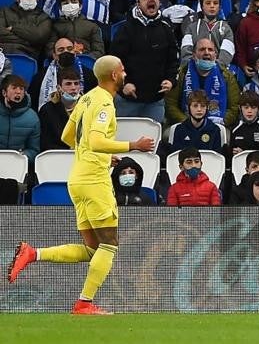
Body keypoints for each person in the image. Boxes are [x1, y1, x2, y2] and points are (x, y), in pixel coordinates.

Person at [7, 55, 155, 315]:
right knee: (109, 245)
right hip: (95, 182)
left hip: (78, 179)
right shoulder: (104, 103)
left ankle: (33, 253)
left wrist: (98, 155)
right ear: (113, 75)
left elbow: (67, 136)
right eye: (122, 70)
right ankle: (84, 303)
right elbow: (96, 140)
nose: (125, 74)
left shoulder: (86, 98)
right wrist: (133, 145)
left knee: (92, 249)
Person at [110, 0, 179, 123]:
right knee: (124, 140)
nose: (151, 0)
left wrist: (170, 80)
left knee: (153, 141)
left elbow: (173, 60)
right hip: (127, 100)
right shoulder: (126, 29)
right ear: (138, 3)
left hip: (155, 101)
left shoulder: (166, 28)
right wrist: (123, 84)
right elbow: (114, 62)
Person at [165, 38, 240, 127]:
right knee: (167, 135)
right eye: (202, 49)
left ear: (215, 55)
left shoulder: (226, 76)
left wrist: (222, 122)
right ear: (193, 55)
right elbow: (171, 104)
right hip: (185, 125)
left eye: (210, 50)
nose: (206, 53)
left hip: (218, 125)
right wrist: (187, 121)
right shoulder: (182, 74)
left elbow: (234, 107)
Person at [31, 37, 97, 111]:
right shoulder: (41, 77)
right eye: (61, 50)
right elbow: (34, 102)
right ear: (55, 56)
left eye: (69, 49)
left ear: (74, 52)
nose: (66, 52)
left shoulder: (88, 75)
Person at [180, 0, 235, 66]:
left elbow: (227, 53)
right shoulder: (191, 28)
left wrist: (214, 66)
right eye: (208, 3)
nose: (212, 6)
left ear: (219, 7)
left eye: (215, 3)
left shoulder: (226, 29)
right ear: (202, 6)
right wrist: (196, 66)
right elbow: (186, 51)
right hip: (194, 68)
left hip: (218, 70)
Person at [0, 74, 40, 164]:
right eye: (14, 88)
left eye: (21, 89)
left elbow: (34, 150)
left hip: (18, 166)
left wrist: (22, 157)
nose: (18, 92)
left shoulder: (32, 118)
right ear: (4, 93)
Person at [39, 67, 80, 151]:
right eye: (68, 84)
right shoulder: (47, 110)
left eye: (76, 83)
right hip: (57, 156)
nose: (73, 88)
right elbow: (46, 143)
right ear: (58, 88)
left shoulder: (88, 107)